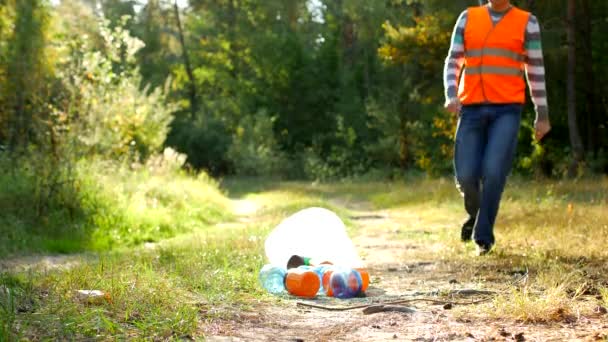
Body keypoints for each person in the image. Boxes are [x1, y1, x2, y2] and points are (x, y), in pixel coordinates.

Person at [443, 0, 551, 255]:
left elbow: (535, 70)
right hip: (470, 108)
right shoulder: (468, 18)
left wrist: (542, 113)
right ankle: (475, 212)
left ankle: (483, 237)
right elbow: (453, 61)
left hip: (507, 110)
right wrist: (450, 93)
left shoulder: (527, 23)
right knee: (466, 176)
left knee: (494, 171)